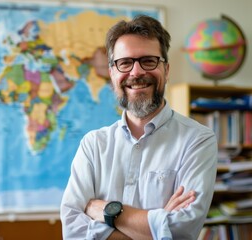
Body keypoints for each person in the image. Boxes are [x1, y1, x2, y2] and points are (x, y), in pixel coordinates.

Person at [60, 15, 218, 240]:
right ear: (112, 73)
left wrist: (105, 210)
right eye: (125, 63)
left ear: (166, 69)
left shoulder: (198, 140)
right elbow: (73, 231)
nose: (136, 72)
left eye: (148, 61)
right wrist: (157, 224)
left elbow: (180, 231)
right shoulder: (93, 145)